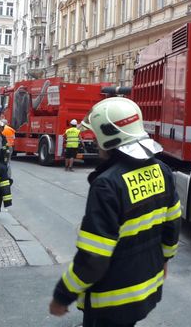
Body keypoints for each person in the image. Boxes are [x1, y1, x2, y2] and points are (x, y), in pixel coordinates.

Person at [49, 97, 181, 327]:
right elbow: (173, 225)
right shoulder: (162, 170)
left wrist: (63, 295)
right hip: (146, 287)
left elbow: (94, 257)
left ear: (108, 135)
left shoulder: (107, 184)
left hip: (111, 301)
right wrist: (165, 259)